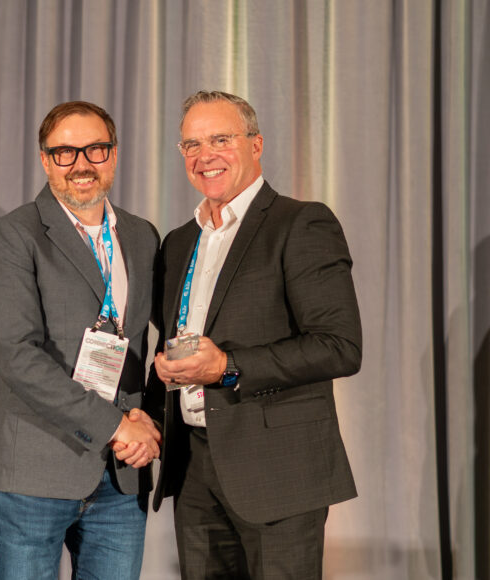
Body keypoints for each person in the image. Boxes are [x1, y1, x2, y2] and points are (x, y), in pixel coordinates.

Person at [145, 90, 363, 578]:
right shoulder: (179, 242)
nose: (205, 156)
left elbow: (339, 347)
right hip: (194, 468)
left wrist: (227, 367)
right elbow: (175, 342)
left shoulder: (300, 223)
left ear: (256, 144)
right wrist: (161, 384)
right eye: (192, 144)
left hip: (278, 470)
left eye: (221, 139)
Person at [0, 101, 162, 579]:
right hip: (34, 475)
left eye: (95, 149)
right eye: (65, 152)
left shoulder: (142, 235)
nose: (81, 164)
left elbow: (151, 347)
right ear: (45, 160)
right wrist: (116, 426)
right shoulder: (14, 235)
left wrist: (149, 424)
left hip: (122, 477)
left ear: (113, 154)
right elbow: (18, 357)